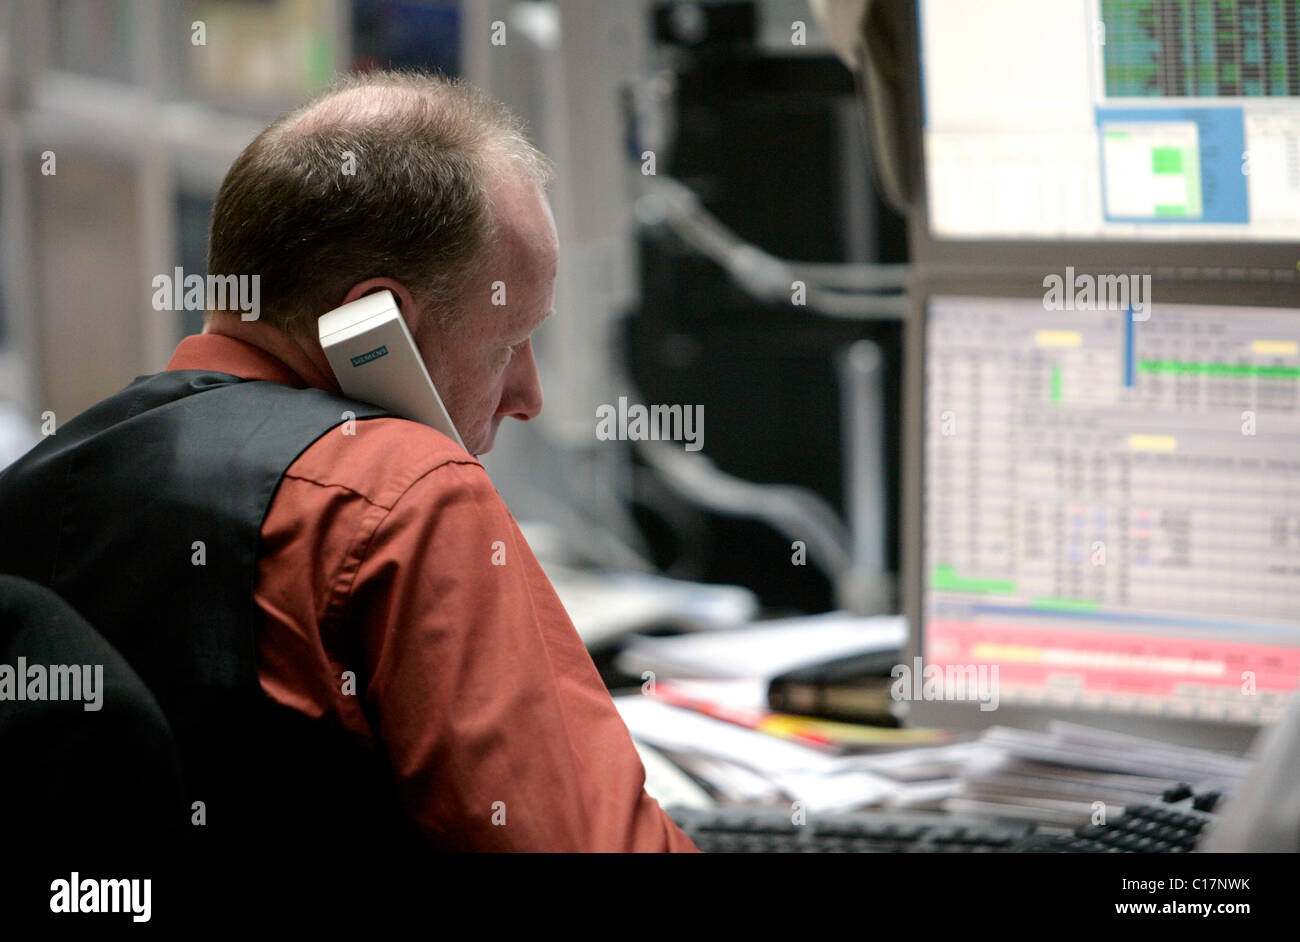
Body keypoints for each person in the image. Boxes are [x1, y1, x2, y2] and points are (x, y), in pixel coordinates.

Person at [0, 70, 698, 853]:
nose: (528, 395)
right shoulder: (400, 490)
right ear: (380, 324)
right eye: (508, 345)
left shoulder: (24, 495)